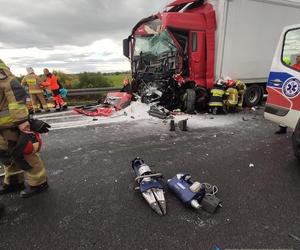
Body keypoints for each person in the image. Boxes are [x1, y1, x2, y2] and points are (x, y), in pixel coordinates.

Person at [0, 59, 48, 198]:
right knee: (7, 156)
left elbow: (17, 97)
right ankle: (15, 181)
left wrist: (22, 121)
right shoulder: (33, 76)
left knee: (24, 154)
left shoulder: (4, 77)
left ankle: (39, 182)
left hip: (11, 125)